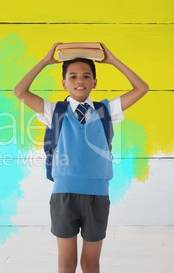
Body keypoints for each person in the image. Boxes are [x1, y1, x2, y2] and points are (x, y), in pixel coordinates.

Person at [13, 42, 149, 273]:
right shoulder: (54, 111)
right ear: (63, 82)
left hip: (97, 195)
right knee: (66, 264)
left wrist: (113, 61)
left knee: (90, 264)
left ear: (94, 82)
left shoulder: (106, 110)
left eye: (86, 76)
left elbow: (141, 88)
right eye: (73, 76)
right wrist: (45, 61)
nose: (80, 81)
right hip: (64, 195)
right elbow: (20, 92)